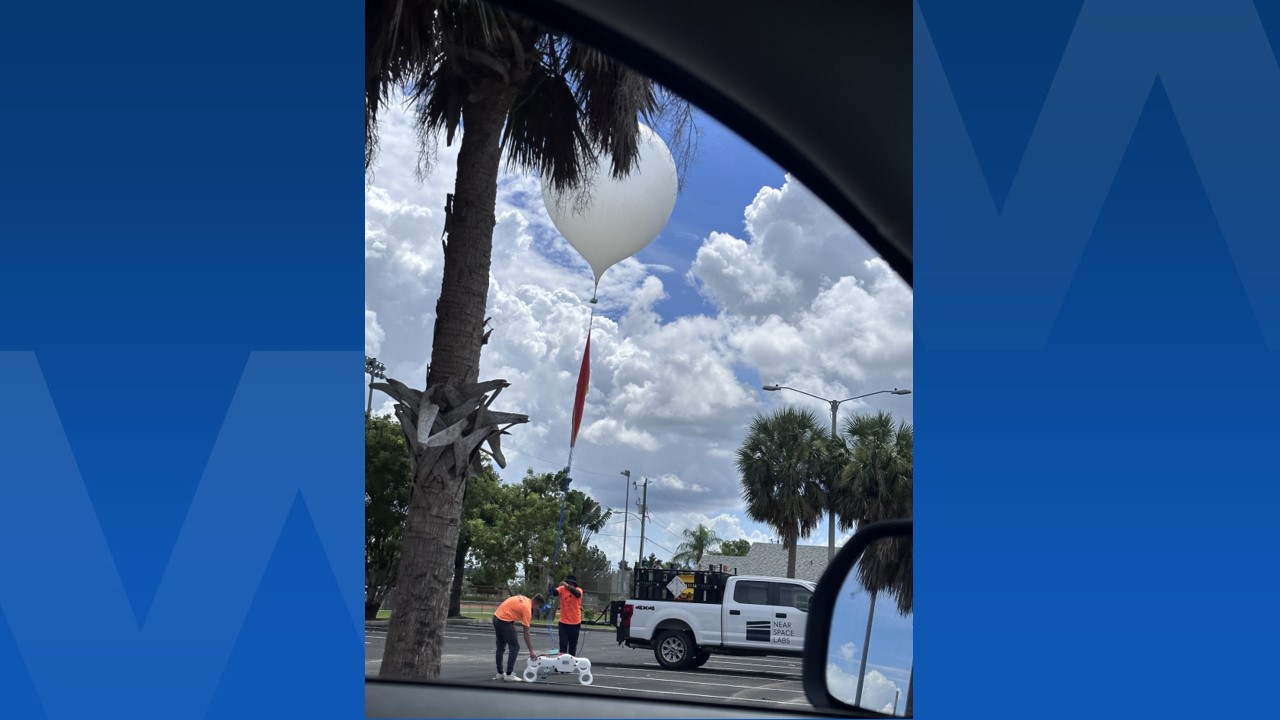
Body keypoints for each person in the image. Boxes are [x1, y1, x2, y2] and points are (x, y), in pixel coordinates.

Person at [492, 593, 543, 682]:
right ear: (537, 604)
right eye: (539, 607)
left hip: (496, 617)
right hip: (505, 621)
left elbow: (513, 608)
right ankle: (509, 674)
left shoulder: (525, 598)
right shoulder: (527, 609)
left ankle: (500, 673)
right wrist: (531, 651)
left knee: (500, 647)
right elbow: (526, 633)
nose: (538, 609)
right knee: (515, 647)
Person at [547, 574, 584, 656]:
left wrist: (567, 586)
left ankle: (571, 663)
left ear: (574, 584)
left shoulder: (579, 590)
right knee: (563, 644)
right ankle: (562, 664)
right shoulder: (562, 589)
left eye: (571, 583)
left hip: (575, 623)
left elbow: (577, 594)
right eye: (568, 582)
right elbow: (554, 592)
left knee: (572, 646)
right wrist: (550, 585)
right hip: (563, 623)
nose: (569, 584)